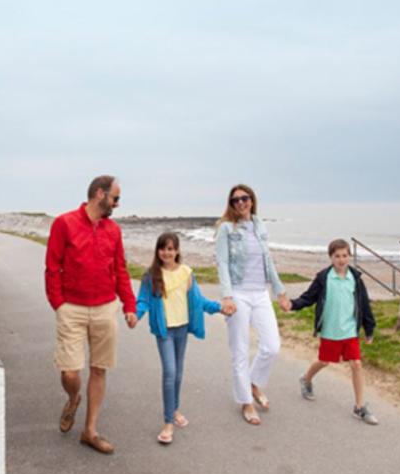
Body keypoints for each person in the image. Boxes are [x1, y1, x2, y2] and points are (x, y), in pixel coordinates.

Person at [44, 175, 138, 454]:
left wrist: (129, 306)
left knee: (99, 368)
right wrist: (59, 304)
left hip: (105, 307)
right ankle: (73, 397)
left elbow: (120, 269)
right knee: (70, 371)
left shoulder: (113, 230)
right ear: (100, 194)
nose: (117, 204)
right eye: (115, 198)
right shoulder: (64, 223)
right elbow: (52, 267)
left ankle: (90, 431)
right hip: (71, 308)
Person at [135, 233, 232, 445]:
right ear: (157, 251)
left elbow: (198, 301)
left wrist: (219, 308)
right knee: (169, 372)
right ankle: (168, 422)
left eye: (170, 249)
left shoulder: (186, 273)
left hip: (182, 329)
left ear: (177, 250)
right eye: (163, 248)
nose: (166, 252)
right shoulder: (151, 275)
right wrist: (135, 314)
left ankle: (175, 408)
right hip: (165, 331)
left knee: (178, 373)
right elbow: (143, 300)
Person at [215, 184, 289, 425]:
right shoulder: (226, 229)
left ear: (252, 200)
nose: (240, 203)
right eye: (235, 200)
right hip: (238, 293)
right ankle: (246, 402)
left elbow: (268, 260)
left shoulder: (259, 225)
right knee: (240, 349)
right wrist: (226, 295)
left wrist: (280, 291)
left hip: (260, 293)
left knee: (272, 346)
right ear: (231, 204)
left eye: (244, 198)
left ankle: (253, 383)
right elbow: (223, 263)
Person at [285, 238, 379, 425]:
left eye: (345, 255)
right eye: (337, 256)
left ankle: (359, 406)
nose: (341, 260)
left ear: (349, 256)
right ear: (331, 258)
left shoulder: (356, 278)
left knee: (356, 365)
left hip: (350, 330)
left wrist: (369, 328)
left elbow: (364, 304)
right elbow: (308, 297)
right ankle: (306, 379)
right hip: (330, 331)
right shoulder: (323, 278)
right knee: (324, 361)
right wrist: (293, 304)